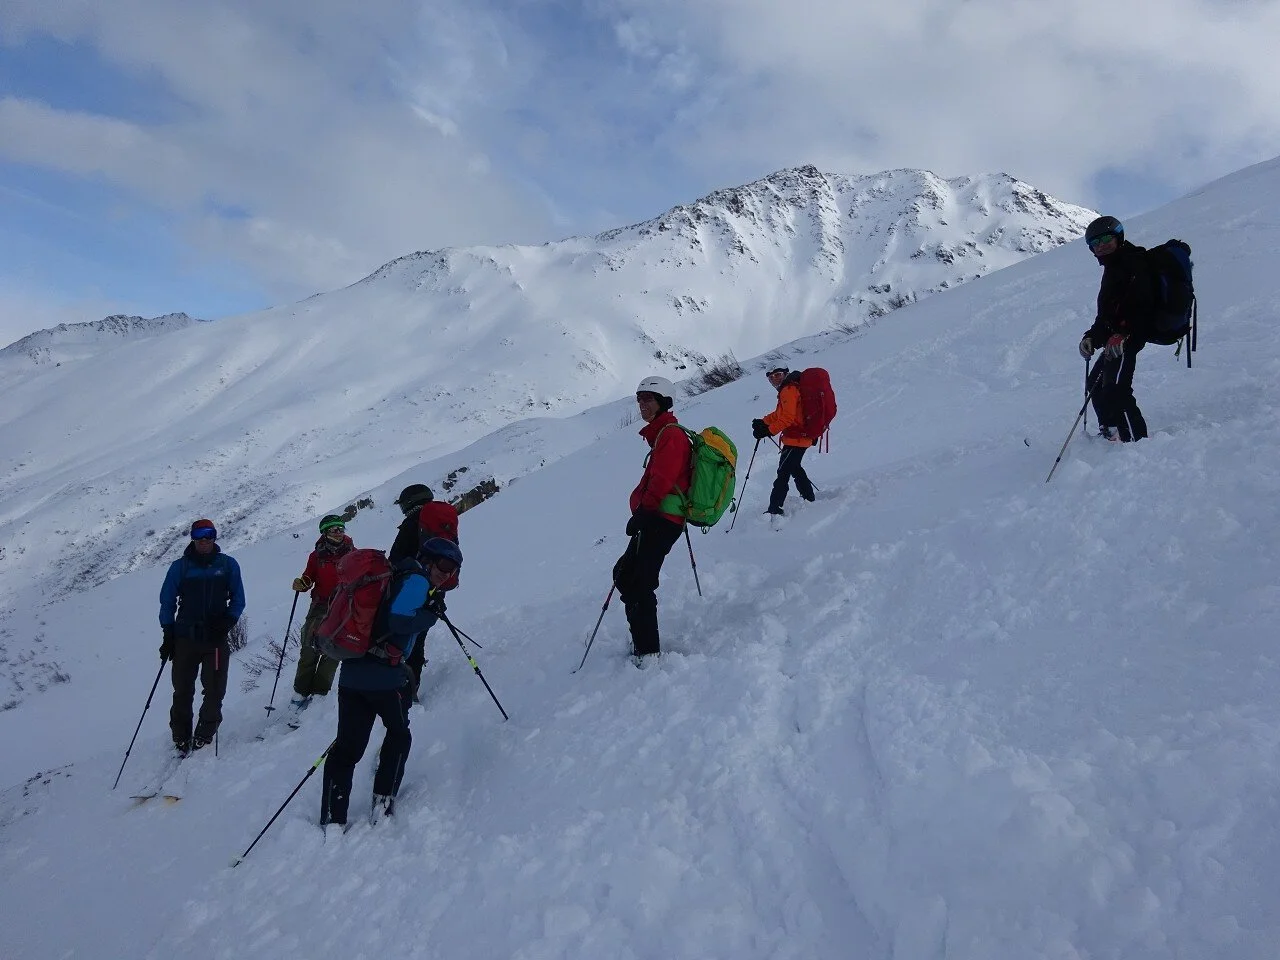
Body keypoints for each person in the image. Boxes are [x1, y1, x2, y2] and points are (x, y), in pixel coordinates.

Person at [319, 536, 463, 832]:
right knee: (398, 735)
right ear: (428, 559)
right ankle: (382, 802)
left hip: (352, 673)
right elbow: (399, 621)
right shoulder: (417, 581)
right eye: (445, 565)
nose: (448, 573)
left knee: (347, 748)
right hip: (385, 678)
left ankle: (333, 817)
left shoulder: (396, 574)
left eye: (455, 569)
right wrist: (430, 616)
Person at [612, 376, 691, 662]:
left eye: (649, 398)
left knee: (637, 581)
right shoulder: (662, 434)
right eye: (639, 399)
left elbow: (662, 478)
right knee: (627, 575)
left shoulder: (670, 434)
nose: (642, 404)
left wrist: (645, 511)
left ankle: (647, 650)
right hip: (658, 517)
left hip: (661, 519)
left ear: (663, 402)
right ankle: (644, 642)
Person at [158, 519, 246, 753]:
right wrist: (168, 633)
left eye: (209, 535)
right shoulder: (180, 567)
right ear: (193, 538)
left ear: (215, 537)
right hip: (185, 638)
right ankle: (180, 734)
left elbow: (238, 599)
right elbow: (167, 601)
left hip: (215, 639)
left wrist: (228, 621)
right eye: (199, 535)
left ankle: (205, 732)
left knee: (215, 688)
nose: (204, 540)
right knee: (183, 689)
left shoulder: (228, 565)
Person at [1078, 216, 1152, 442]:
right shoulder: (1113, 268)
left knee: (1117, 388)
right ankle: (1111, 431)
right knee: (1096, 383)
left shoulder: (1135, 263)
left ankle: (1135, 442)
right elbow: (1108, 315)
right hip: (1117, 338)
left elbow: (1146, 304)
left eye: (1106, 239)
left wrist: (1124, 332)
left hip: (1129, 337)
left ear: (1119, 238)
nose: (1101, 246)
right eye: (1095, 243)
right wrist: (1092, 336)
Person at [388, 484, 456, 701]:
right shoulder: (443, 524)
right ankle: (411, 689)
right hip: (437, 589)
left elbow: (395, 560)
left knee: (404, 640)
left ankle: (402, 693)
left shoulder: (412, 524)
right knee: (419, 639)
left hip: (412, 589)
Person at [287, 515, 354, 717]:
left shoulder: (353, 554)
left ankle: (319, 694)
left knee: (332, 651)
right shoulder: (316, 556)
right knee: (309, 647)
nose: (339, 532)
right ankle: (300, 693)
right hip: (320, 606)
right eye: (334, 529)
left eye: (341, 528)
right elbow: (310, 576)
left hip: (343, 608)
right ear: (324, 532)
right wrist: (303, 583)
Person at [752, 366, 816, 515]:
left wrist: (768, 430)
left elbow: (788, 418)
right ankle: (808, 497)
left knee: (783, 473)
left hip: (797, 438)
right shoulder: (788, 389)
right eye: (771, 377)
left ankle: (774, 508)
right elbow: (780, 413)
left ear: (786, 373)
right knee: (794, 468)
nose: (775, 379)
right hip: (799, 437)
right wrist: (763, 421)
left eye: (778, 374)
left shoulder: (788, 390)